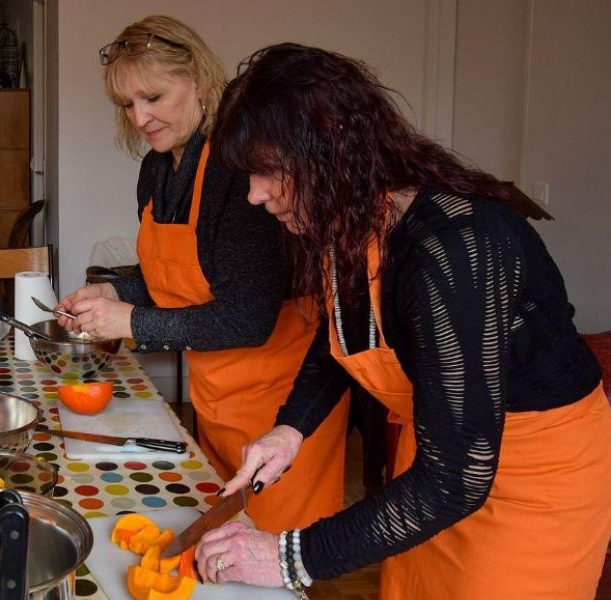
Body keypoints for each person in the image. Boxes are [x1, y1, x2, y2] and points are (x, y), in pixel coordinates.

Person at [198, 42, 611, 599]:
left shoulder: (455, 248)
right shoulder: (348, 221)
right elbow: (342, 335)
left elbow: (460, 479)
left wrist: (290, 556)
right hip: (436, 465)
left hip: (534, 485)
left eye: (268, 172)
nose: (254, 195)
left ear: (332, 152)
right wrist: (289, 428)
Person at [54, 16, 349, 534]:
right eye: (128, 104)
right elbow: (176, 278)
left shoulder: (236, 171)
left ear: (195, 77)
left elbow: (247, 317)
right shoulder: (157, 169)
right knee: (224, 542)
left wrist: (132, 322)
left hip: (282, 399)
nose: (141, 116)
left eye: (154, 97)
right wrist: (113, 290)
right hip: (216, 396)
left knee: (275, 557)